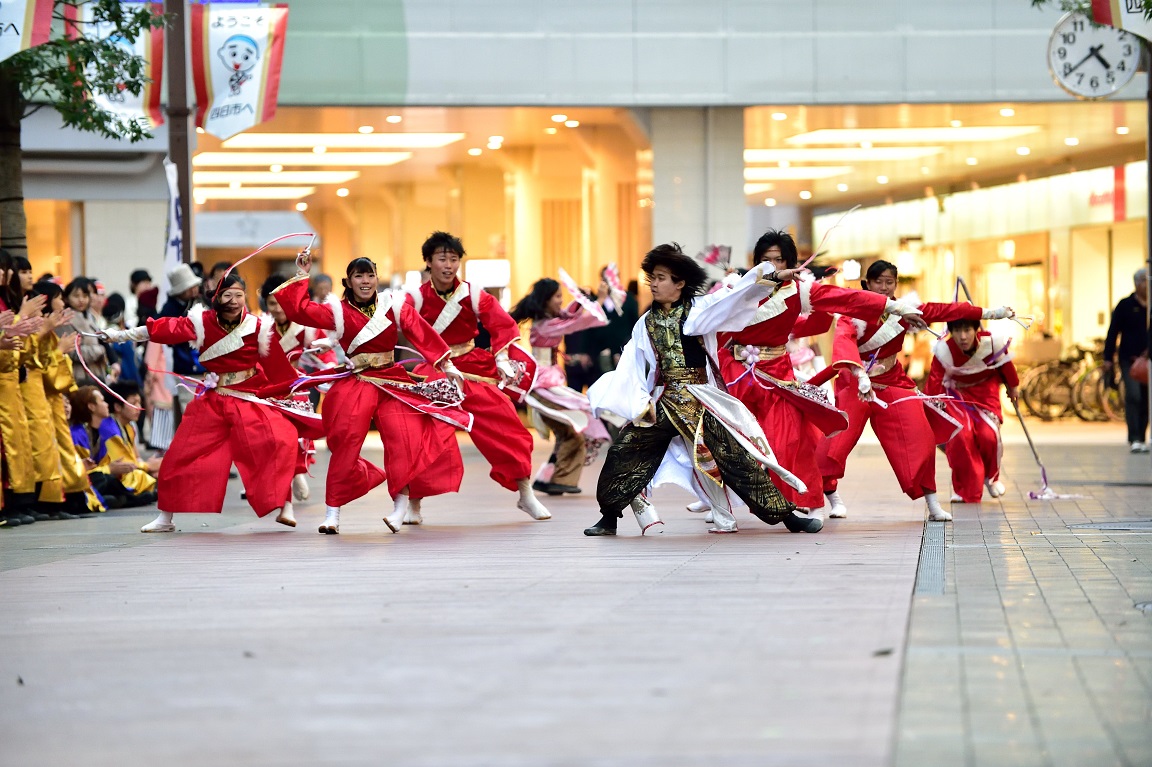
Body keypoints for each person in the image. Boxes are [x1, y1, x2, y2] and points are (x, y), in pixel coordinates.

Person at [584, 243, 814, 536]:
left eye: (662, 277)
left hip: (698, 400)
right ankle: (608, 518)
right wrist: (638, 401)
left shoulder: (699, 310)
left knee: (735, 458)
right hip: (662, 401)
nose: (654, 283)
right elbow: (632, 364)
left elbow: (735, 297)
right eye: (652, 277)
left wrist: (772, 277)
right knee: (624, 451)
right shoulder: (645, 322)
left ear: (680, 283)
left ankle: (787, 516)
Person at [714, 230, 913, 523]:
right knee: (728, 439)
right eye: (766, 261)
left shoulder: (799, 292)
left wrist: (891, 305)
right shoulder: (736, 290)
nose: (773, 267)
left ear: (791, 264)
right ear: (756, 263)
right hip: (735, 373)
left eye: (779, 260)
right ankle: (719, 500)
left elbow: (845, 298)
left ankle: (809, 501)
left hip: (777, 374)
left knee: (790, 438)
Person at [100, 272, 322, 532]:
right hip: (214, 400)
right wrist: (118, 336)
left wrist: (304, 385)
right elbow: (165, 328)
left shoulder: (259, 327)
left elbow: (278, 368)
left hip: (248, 398)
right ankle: (165, 517)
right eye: (227, 295)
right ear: (216, 297)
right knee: (180, 454)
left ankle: (285, 505)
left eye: (239, 295)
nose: (234, 300)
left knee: (278, 439)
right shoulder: (202, 323)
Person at [272, 252, 470, 535]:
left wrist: (446, 363)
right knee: (345, 440)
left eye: (370, 275)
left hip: (391, 380)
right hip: (357, 380)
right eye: (359, 276)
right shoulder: (336, 311)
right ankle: (333, 513)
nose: (365, 281)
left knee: (403, 437)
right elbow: (299, 311)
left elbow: (421, 333)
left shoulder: (393, 305)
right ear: (349, 282)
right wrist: (303, 274)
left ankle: (400, 508)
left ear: (377, 278)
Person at [813, 260, 1013, 522]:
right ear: (867, 284)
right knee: (836, 441)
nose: (884, 288)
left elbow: (947, 310)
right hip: (855, 383)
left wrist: (991, 313)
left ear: (896, 284)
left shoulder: (905, 310)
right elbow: (843, 341)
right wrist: (860, 374)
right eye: (878, 282)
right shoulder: (854, 314)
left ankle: (932, 503)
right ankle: (826, 497)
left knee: (919, 436)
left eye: (889, 282)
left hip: (893, 381)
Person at [403, 231, 551, 523]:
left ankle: (525, 493)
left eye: (454, 259)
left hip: (471, 366)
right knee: (421, 431)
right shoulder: (415, 298)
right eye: (442, 258)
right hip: (434, 368)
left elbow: (501, 323)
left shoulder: (472, 294)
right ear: (428, 262)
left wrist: (502, 357)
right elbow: (402, 325)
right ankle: (414, 504)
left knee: (506, 422)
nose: (448, 265)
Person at [511, 277, 610, 497]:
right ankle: (558, 479)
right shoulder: (546, 325)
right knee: (574, 429)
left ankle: (549, 479)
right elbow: (576, 322)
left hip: (547, 383)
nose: (561, 301)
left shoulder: (547, 321)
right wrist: (599, 300)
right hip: (543, 385)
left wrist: (581, 300)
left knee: (570, 431)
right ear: (546, 300)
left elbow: (569, 315)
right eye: (557, 296)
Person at [260, 273, 341, 503]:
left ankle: (297, 472)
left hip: (296, 386)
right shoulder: (261, 327)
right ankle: (273, 479)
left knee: (296, 434)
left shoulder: (306, 327)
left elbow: (325, 352)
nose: (277, 308)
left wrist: (330, 367)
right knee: (269, 437)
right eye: (272, 303)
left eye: (282, 302)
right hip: (268, 387)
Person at [925, 318, 1019, 503]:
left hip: (986, 392)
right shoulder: (944, 350)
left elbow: (1007, 367)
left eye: (967, 330)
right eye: (957, 331)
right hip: (957, 393)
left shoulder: (992, 344)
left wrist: (1013, 386)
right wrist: (934, 408)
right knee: (961, 435)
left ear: (976, 329)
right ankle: (964, 488)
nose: (962, 336)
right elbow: (935, 382)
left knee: (987, 435)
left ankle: (991, 477)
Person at [31, 280, 100, 517]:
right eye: (60, 297)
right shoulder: (41, 333)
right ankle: (52, 502)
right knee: (49, 452)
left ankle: (66, 498)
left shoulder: (51, 332)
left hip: (54, 400)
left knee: (60, 450)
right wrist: (60, 351)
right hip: (42, 400)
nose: (63, 302)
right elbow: (46, 373)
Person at [0, 248, 47, 527]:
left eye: (7, 268)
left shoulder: (8, 302)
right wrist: (22, 320)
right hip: (6, 381)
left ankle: (24, 500)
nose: (6, 274)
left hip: (14, 382)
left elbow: (22, 349)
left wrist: (37, 329)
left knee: (22, 443)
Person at [68, 386, 157, 509]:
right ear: (91, 406)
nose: (106, 405)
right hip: (82, 481)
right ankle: (127, 499)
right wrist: (149, 466)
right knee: (103, 478)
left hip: (99, 476)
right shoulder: (79, 434)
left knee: (109, 479)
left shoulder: (100, 432)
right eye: (102, 401)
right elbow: (80, 471)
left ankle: (124, 498)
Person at [1103, 267, 1149, 453]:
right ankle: (1134, 437)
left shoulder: (1150, 306)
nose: (1148, 285)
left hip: (1148, 360)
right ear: (1138, 284)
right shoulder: (1125, 305)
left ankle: (1142, 437)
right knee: (1134, 395)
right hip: (1129, 359)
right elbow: (1113, 332)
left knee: (1147, 398)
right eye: (1145, 281)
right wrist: (1108, 357)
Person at [157, 264, 205, 429]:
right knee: (190, 412)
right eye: (189, 287)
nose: (194, 290)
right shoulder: (169, 309)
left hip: (206, 367)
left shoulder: (200, 302)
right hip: (186, 368)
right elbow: (166, 336)